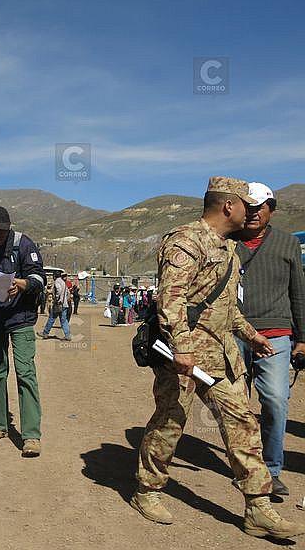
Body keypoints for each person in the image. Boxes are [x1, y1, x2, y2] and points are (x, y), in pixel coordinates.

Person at [130, 176, 305, 539]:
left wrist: (251, 335)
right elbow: (171, 300)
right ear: (229, 206)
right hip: (183, 357)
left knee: (243, 422)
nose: (250, 212)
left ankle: (258, 506)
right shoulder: (186, 241)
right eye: (246, 205)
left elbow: (226, 307)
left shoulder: (228, 248)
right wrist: (182, 348)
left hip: (221, 356)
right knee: (170, 421)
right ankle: (147, 489)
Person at [233, 182, 305, 496]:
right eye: (247, 207)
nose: (252, 213)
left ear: (271, 210)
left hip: (275, 334)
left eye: (259, 207)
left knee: (275, 400)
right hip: (233, 333)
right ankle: (243, 466)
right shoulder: (227, 241)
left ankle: (271, 470)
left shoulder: (288, 243)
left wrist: (302, 338)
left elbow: (298, 292)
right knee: (235, 405)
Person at [0, 206, 46, 457]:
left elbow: (39, 278)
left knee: (25, 373)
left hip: (21, 319)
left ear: (9, 228)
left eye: (2, 230)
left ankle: (31, 435)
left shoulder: (23, 245)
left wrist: (23, 283)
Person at [41, 273, 71, 341]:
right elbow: (67, 293)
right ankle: (67, 335)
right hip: (64, 304)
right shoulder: (63, 282)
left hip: (58, 304)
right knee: (64, 321)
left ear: (54, 276)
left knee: (51, 318)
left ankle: (45, 333)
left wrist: (57, 299)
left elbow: (59, 290)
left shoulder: (57, 281)